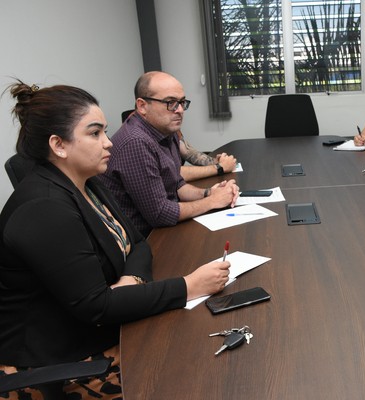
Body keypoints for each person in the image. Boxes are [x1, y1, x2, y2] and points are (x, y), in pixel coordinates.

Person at [0, 81, 231, 398]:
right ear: (59, 145)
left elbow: (138, 242)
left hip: (93, 326)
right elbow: (96, 307)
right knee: (190, 373)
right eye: (95, 133)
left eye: (105, 132)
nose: (109, 143)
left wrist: (131, 279)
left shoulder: (87, 182)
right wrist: (190, 285)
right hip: (55, 363)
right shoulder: (45, 208)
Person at [99, 71, 239, 237]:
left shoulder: (166, 130)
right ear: (142, 106)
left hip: (164, 228)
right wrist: (212, 201)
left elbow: (177, 185)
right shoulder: (136, 142)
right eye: (170, 103)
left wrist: (209, 192)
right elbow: (160, 214)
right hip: (146, 239)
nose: (179, 110)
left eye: (181, 102)